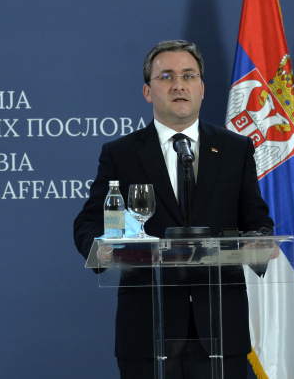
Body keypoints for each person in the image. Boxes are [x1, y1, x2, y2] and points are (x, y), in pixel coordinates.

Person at [73, 40, 274, 379]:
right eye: (166, 76)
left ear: (202, 89)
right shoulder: (121, 154)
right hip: (147, 329)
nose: (179, 85)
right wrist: (101, 248)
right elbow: (89, 221)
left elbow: (257, 219)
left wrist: (259, 241)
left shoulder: (235, 149)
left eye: (188, 75)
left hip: (221, 327)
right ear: (147, 91)